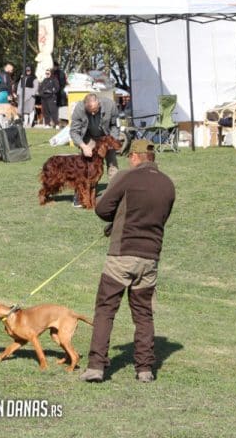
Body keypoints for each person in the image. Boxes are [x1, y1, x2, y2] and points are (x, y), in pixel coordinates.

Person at [79, 139, 175, 384]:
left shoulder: (126, 177)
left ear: (135, 157)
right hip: (150, 258)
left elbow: (102, 209)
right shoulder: (168, 184)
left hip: (122, 254)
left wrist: (117, 218)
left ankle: (96, 366)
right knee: (144, 314)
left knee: (106, 309)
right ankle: (144, 369)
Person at [69, 93, 120, 188]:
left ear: (99, 104)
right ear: (85, 106)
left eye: (95, 111)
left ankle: (115, 190)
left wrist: (112, 141)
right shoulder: (79, 109)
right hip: (89, 137)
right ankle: (81, 193)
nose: (92, 113)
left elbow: (115, 125)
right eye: (90, 111)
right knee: (84, 166)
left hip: (106, 136)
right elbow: (74, 131)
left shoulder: (110, 105)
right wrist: (83, 146)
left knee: (112, 163)